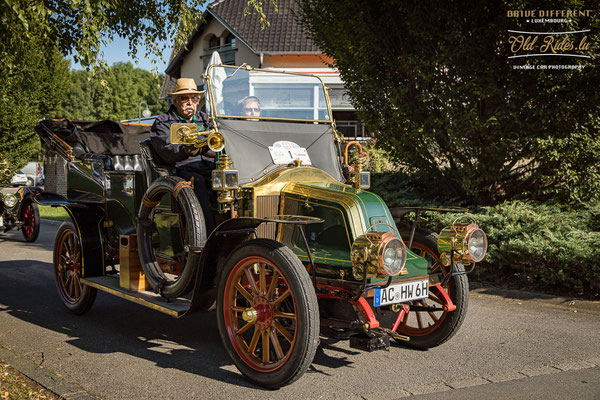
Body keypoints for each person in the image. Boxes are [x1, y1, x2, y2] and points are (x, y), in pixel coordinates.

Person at [150, 77, 216, 234]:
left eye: (194, 98)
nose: (190, 102)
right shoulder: (163, 122)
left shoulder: (206, 120)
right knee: (198, 182)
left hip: (208, 166)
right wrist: (185, 150)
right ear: (175, 101)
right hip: (180, 169)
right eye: (184, 98)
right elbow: (167, 152)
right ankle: (209, 237)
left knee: (231, 178)